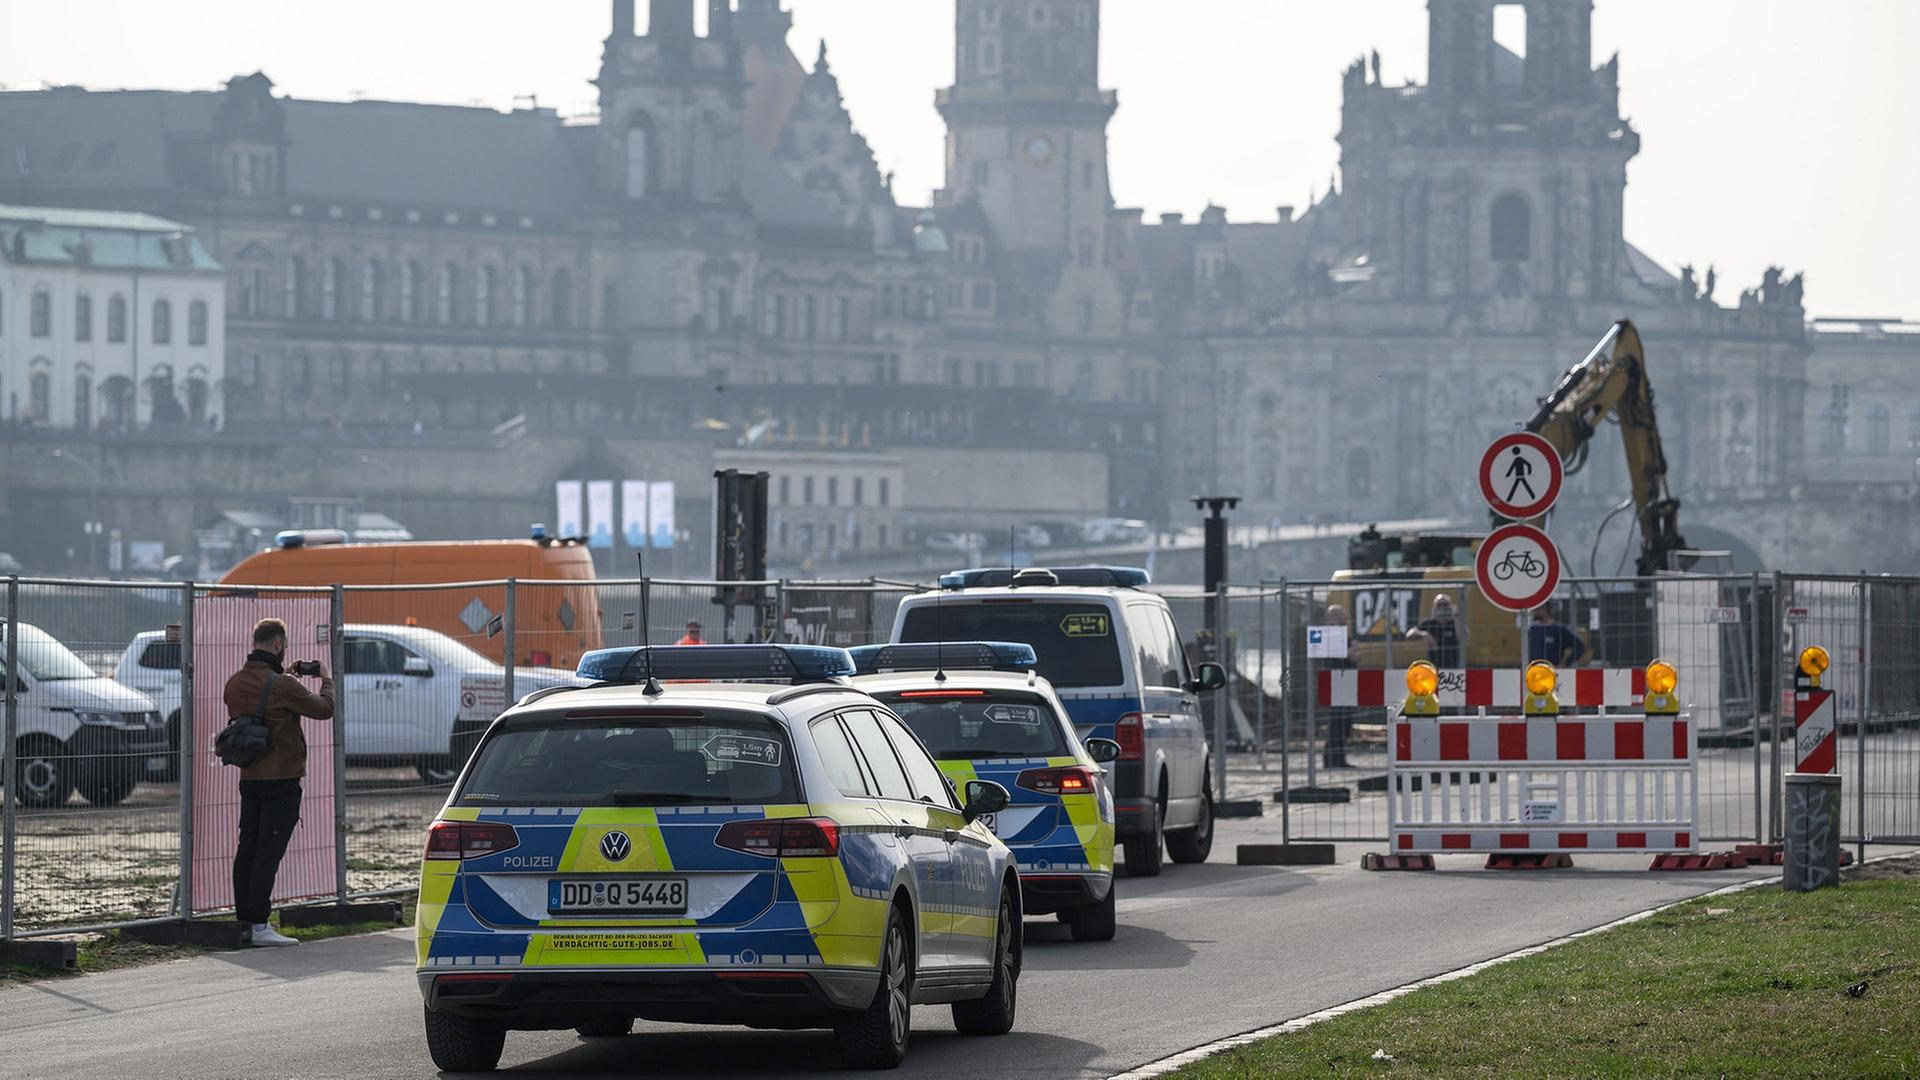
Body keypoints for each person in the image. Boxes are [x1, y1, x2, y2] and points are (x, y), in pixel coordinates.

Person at [223, 618, 334, 948]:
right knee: (268, 854)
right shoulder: (283, 686)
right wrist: (326, 677)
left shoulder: (234, 683)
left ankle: (244, 922)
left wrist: (285, 675)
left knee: (248, 850)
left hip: (250, 778)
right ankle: (259, 925)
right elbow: (324, 709)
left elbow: (262, 700)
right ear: (277, 645)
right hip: (281, 781)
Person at [1321, 603, 1353, 769]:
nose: (1344, 624)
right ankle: (1331, 758)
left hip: (1346, 681)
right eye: (1341, 621)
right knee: (1337, 722)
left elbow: (1353, 654)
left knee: (1345, 722)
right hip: (1335, 682)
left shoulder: (1344, 636)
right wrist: (1350, 653)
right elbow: (1345, 654)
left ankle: (1339, 758)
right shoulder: (1329, 635)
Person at [1408, 594, 1463, 669]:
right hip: (1433, 666)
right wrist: (1424, 634)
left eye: (1445, 604)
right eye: (1439, 604)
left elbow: (1461, 636)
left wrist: (1456, 615)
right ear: (1434, 607)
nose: (1442, 607)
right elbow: (1410, 633)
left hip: (1454, 667)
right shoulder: (1429, 623)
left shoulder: (1455, 623)